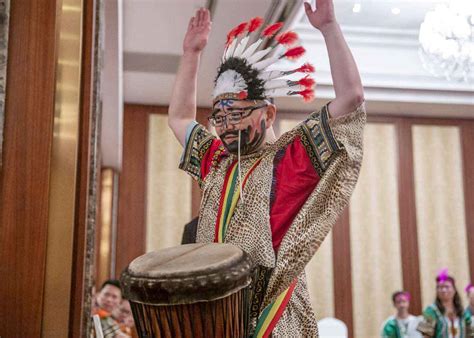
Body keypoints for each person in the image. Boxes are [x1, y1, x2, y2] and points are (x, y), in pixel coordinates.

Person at [168, 1, 365, 336]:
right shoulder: (217, 162)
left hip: (273, 316)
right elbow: (179, 118)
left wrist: (330, 28)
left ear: (268, 114)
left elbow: (351, 98)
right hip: (219, 313)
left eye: (236, 116)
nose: (225, 128)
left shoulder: (289, 159)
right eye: (219, 118)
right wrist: (191, 54)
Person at [417, 269, 473, 338]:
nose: (443, 290)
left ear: (454, 290)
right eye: (440, 287)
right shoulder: (431, 311)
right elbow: (425, 336)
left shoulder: (463, 312)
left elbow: (470, 335)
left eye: (447, 287)